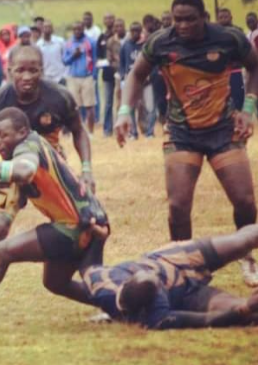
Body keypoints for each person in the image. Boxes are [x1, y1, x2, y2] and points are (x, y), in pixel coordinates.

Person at [115, 0, 258, 287]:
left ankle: (248, 257)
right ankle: (183, 268)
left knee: (244, 201)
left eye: (189, 19)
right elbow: (136, 74)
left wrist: (249, 108)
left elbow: (256, 67)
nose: (182, 26)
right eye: (176, 20)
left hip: (223, 129)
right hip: (182, 133)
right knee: (178, 207)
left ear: (204, 17)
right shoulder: (160, 43)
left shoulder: (228, 38)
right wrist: (124, 112)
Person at [0, 107, 109, 325]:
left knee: (0, 252)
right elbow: (16, 199)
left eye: (3, 135)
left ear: (22, 132)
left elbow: (23, 171)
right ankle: (118, 302)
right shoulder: (27, 149)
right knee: (55, 282)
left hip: (75, 225)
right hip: (93, 219)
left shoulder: (28, 147)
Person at [0, 46, 95, 292]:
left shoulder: (60, 97)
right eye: (20, 71)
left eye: (33, 70)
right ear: (9, 71)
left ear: (42, 70)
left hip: (50, 175)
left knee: (81, 226)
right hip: (12, 173)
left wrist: (87, 170)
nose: (27, 76)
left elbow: (79, 131)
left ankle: (101, 290)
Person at [82, 224, 258, 329]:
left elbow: (90, 260)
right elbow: (206, 320)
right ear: (148, 306)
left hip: (172, 258)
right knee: (247, 312)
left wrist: (100, 233)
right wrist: (245, 309)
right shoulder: (155, 318)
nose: (155, 277)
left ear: (128, 281)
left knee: (242, 241)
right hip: (189, 296)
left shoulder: (100, 281)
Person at [63, 22, 97, 135]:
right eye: (75, 29)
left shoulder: (90, 42)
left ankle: (91, 132)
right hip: (73, 77)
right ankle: (77, 131)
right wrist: (74, 55)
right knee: (74, 107)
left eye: (79, 29)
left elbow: (95, 59)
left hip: (87, 77)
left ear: (83, 29)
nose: (77, 31)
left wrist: (93, 75)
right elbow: (65, 61)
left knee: (89, 106)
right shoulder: (68, 43)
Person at [119, 22, 144, 139]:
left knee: (145, 106)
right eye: (132, 31)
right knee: (131, 107)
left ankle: (148, 130)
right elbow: (122, 62)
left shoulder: (145, 44)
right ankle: (133, 132)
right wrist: (122, 76)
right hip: (130, 80)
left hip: (145, 79)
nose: (135, 33)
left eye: (137, 31)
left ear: (141, 31)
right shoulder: (125, 45)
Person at [217, 8, 246, 111]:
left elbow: (244, 52)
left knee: (238, 99)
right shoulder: (215, 35)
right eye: (220, 17)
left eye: (225, 17)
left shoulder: (238, 32)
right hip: (220, 74)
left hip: (236, 71)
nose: (223, 20)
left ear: (231, 18)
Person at [105, 19, 126, 136]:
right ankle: (112, 128)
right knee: (114, 102)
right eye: (116, 26)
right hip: (115, 74)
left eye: (121, 26)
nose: (118, 28)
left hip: (128, 75)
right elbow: (109, 59)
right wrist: (119, 65)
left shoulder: (129, 39)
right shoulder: (111, 42)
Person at [97, 13, 116, 137]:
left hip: (121, 73)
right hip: (107, 74)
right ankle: (107, 129)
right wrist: (103, 62)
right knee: (108, 102)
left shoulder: (118, 35)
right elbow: (98, 58)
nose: (108, 20)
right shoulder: (101, 37)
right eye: (106, 18)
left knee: (121, 103)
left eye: (110, 18)